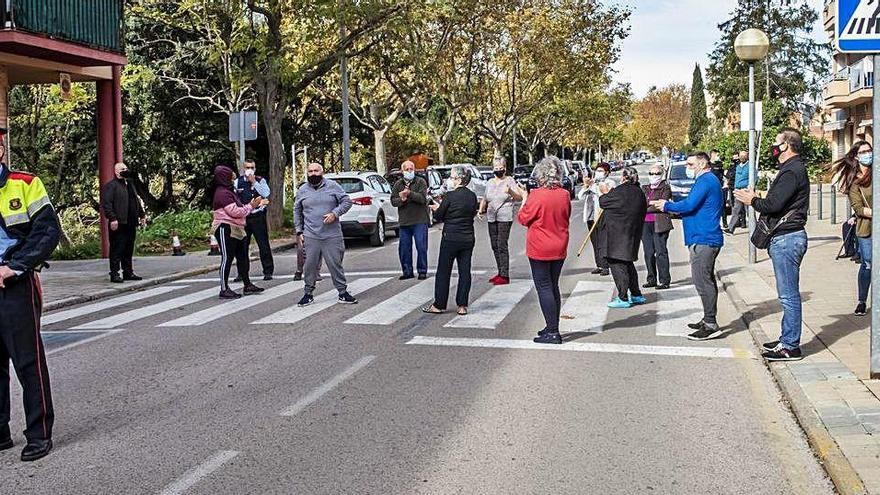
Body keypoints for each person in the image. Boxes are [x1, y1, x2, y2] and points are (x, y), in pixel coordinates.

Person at [0, 130, 62, 461]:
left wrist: (16, 266)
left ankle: (39, 433)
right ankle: (0, 431)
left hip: (16, 283)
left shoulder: (25, 184)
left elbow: (48, 231)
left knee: (28, 362)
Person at [735, 128, 810, 361]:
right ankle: (786, 338)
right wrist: (760, 197)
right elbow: (780, 201)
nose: (774, 146)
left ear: (787, 145)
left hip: (787, 239)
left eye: (777, 143)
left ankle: (791, 346)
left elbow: (774, 206)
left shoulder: (791, 170)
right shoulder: (792, 169)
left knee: (788, 296)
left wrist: (753, 200)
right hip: (787, 238)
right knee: (786, 294)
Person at [652, 152, 724, 340]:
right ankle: (708, 318)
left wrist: (666, 206)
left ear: (702, 164)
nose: (688, 168)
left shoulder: (706, 181)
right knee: (705, 279)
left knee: (702, 281)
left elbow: (690, 205)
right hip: (701, 237)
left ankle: (710, 324)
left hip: (704, 238)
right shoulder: (707, 180)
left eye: (690, 164)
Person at [517, 157, 571, 344]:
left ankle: (553, 331)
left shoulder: (537, 195)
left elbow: (523, 218)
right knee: (553, 285)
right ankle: (551, 325)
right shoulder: (564, 194)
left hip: (540, 246)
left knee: (544, 288)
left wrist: (524, 199)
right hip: (559, 244)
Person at [294, 163, 357, 306]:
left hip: (332, 234)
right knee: (309, 266)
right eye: (310, 171)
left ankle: (342, 292)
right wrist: (299, 231)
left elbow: (346, 201)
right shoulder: (302, 190)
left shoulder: (332, 186)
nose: (313, 173)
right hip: (311, 234)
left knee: (335, 264)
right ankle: (308, 294)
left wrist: (335, 214)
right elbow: (297, 211)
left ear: (322, 172)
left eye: (316, 171)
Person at [422, 165, 478, 315]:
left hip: (450, 237)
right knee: (465, 271)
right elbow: (472, 213)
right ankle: (462, 305)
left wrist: (436, 208)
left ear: (459, 179)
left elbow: (440, 215)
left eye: (452, 177)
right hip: (467, 238)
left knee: (444, 271)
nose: (450, 180)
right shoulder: (472, 196)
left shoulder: (450, 196)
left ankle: (439, 304)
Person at [211, 166, 266, 299]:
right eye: (230, 176)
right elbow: (235, 212)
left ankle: (247, 284)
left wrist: (250, 205)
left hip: (237, 228)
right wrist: (251, 206)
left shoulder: (229, 191)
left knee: (242, 257)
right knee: (227, 257)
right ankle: (224, 289)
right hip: (225, 227)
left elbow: (239, 208)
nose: (233, 178)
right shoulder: (222, 193)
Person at [832, 141, 873, 316]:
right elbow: (858, 208)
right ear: (856, 156)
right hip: (867, 228)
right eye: (863, 152)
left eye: (869, 150)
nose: (868, 154)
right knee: (868, 263)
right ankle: (862, 301)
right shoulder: (854, 181)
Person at [598, 166, 647, 308]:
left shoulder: (620, 191)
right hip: (632, 233)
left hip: (617, 236)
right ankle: (636, 294)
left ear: (624, 177)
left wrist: (605, 193)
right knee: (628, 264)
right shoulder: (639, 192)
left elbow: (604, 202)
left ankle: (623, 297)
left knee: (618, 265)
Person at [479, 157, 522, 285]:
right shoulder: (490, 182)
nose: (498, 170)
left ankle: (505, 275)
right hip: (491, 216)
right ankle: (500, 271)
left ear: (505, 168)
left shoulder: (510, 180)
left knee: (501, 244)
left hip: (505, 216)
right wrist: (480, 210)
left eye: (500, 168)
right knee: (494, 245)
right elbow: (485, 198)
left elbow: (519, 197)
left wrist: (510, 191)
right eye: (496, 168)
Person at [100, 162, 145, 283]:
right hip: (119, 222)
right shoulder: (111, 186)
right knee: (117, 248)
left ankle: (128, 272)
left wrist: (141, 215)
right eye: (122, 169)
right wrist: (112, 218)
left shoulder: (130, 184)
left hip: (131, 221)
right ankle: (114, 273)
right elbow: (107, 204)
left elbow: (136, 200)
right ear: (116, 171)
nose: (125, 170)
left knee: (128, 248)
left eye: (126, 168)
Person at [234, 159, 274, 281]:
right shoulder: (237, 182)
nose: (249, 170)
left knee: (263, 244)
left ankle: (268, 271)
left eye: (252, 167)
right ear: (243, 168)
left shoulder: (260, 180)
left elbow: (266, 193)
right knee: (242, 246)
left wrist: (254, 182)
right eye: (247, 167)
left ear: (255, 169)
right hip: (244, 217)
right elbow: (234, 196)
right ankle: (242, 273)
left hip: (258, 217)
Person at [391, 160, 430, 281]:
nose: (409, 171)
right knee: (404, 248)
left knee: (421, 246)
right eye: (407, 169)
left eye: (411, 169)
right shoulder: (398, 184)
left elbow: (423, 199)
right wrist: (401, 199)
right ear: (402, 171)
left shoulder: (421, 182)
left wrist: (410, 194)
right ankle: (407, 271)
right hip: (404, 221)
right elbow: (393, 201)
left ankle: (422, 270)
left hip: (419, 220)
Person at [578, 162, 615, 276]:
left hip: (602, 215)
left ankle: (605, 266)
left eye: (601, 171)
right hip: (590, 216)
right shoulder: (592, 183)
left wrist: (596, 188)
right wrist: (586, 186)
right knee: (595, 241)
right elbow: (580, 196)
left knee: (603, 241)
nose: (598, 173)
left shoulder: (610, 182)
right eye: (597, 171)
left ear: (607, 173)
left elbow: (607, 196)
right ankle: (598, 264)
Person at [641, 163, 673, 290]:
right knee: (648, 253)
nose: (654, 176)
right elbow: (641, 203)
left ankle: (664, 280)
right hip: (645, 224)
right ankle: (651, 279)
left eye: (657, 173)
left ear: (662, 175)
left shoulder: (665, 188)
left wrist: (647, 206)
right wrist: (651, 204)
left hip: (660, 223)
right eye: (651, 173)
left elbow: (662, 205)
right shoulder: (644, 188)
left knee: (660, 252)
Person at [725, 151, 750, 234]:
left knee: (749, 211)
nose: (742, 157)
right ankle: (730, 228)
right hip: (738, 190)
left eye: (744, 156)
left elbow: (754, 177)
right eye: (741, 156)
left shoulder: (750, 166)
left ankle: (756, 228)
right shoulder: (738, 166)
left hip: (746, 190)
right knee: (736, 210)